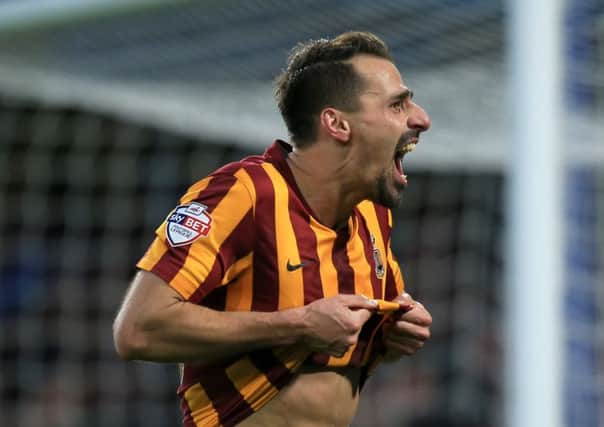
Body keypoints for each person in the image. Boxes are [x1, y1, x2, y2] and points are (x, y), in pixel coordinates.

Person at [113, 31, 432, 427]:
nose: (422, 118)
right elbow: (137, 330)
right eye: (397, 105)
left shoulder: (371, 214)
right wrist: (300, 324)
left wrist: (394, 334)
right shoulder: (243, 194)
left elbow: (338, 345)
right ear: (336, 123)